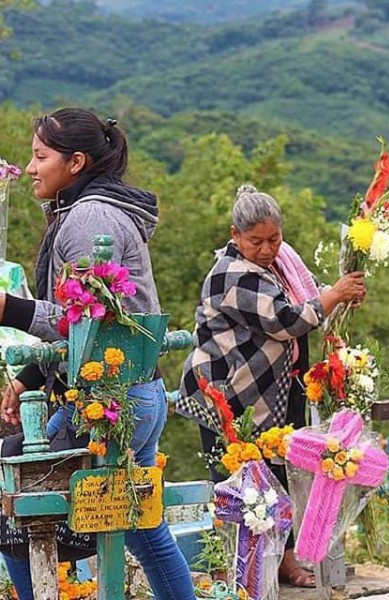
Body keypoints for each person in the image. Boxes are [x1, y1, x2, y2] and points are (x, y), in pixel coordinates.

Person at [0, 108, 194, 599]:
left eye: (41, 156)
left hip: (110, 404)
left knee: (16, 498)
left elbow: (89, 323)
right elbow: (83, 324)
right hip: (136, 393)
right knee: (142, 528)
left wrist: (9, 308)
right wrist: (29, 373)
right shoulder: (90, 209)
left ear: (76, 162)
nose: (29, 167)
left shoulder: (90, 218)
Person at [177, 183, 366, 588]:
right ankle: (239, 568)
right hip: (228, 396)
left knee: (280, 473)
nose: (266, 249)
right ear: (234, 235)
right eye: (255, 241)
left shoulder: (279, 265)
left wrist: (338, 296)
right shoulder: (232, 274)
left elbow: (308, 297)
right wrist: (333, 295)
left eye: (274, 239)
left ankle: (282, 558)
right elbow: (287, 321)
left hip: (273, 393)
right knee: (239, 483)